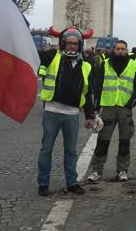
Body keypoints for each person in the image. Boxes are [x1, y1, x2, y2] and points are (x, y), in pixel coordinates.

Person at [38, 27, 95, 197]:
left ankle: (72, 183)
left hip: (72, 114)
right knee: (46, 149)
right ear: (63, 44)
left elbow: (87, 92)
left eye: (75, 44)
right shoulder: (51, 57)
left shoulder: (86, 66)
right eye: (68, 43)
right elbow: (35, 54)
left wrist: (90, 115)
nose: (72, 46)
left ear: (80, 46)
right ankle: (43, 183)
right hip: (52, 111)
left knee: (71, 151)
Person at [88, 40, 136, 182]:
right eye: (118, 49)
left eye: (123, 49)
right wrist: (96, 108)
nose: (120, 51)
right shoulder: (105, 64)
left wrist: (130, 104)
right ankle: (96, 171)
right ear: (114, 49)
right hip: (108, 108)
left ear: (127, 50)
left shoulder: (135, 66)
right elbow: (98, 86)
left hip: (125, 109)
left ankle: (122, 171)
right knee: (102, 141)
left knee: (124, 141)